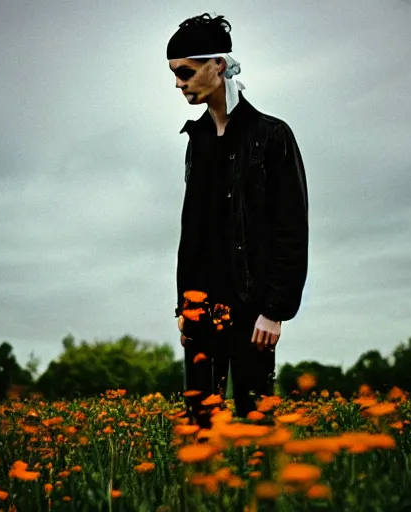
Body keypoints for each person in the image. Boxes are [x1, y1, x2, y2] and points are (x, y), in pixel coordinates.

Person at [167, 13, 309, 428]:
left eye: (186, 72)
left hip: (254, 311)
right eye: (175, 74)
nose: (179, 83)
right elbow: (191, 232)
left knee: (255, 424)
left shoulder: (273, 136)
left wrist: (275, 310)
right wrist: (185, 307)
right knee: (200, 426)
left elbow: (291, 227)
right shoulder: (197, 141)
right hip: (201, 310)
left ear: (220, 66)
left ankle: (259, 494)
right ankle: (200, 497)